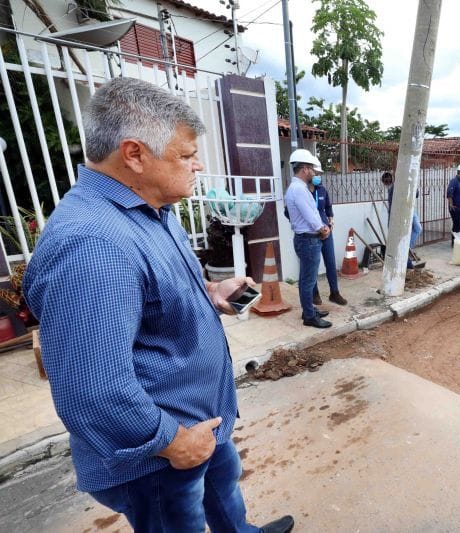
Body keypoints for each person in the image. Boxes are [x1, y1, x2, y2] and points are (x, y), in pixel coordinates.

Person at [22, 77, 293, 533]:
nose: (198, 164)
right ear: (134, 154)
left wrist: (209, 293)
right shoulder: (93, 244)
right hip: (160, 453)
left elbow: (148, 297)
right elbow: (93, 387)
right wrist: (170, 442)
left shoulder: (151, 210)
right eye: (186, 155)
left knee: (225, 497)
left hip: (198, 419)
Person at [285, 149, 333, 329]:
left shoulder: (298, 188)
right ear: (304, 169)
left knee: (307, 279)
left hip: (307, 239)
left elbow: (312, 212)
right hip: (309, 239)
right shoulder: (298, 190)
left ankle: (309, 310)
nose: (314, 173)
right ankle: (309, 316)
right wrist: (323, 228)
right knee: (308, 280)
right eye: (312, 169)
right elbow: (310, 216)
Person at [309, 176, 348, 306]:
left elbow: (328, 207)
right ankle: (315, 294)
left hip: (326, 232)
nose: (317, 176)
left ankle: (334, 293)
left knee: (330, 262)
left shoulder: (322, 190)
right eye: (315, 172)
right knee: (313, 265)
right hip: (311, 234)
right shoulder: (302, 191)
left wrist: (330, 221)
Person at [382, 171, 422, 269]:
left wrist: (412, 185)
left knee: (418, 228)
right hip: (401, 215)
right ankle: (406, 260)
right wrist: (392, 222)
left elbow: (416, 194)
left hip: (410, 211)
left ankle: (408, 249)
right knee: (402, 238)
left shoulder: (407, 182)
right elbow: (392, 207)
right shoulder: (393, 189)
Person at [446, 162, 460, 246]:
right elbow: (449, 194)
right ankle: (454, 242)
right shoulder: (454, 181)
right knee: (456, 225)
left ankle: (456, 241)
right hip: (456, 208)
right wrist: (451, 205)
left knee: (459, 225)